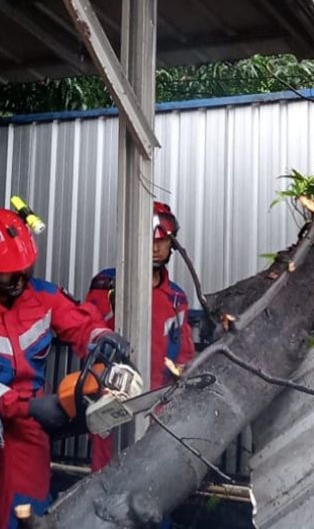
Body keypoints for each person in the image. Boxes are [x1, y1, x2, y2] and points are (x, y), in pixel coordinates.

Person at [0, 206, 132, 529]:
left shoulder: (43, 296)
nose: (22, 277)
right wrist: (27, 406)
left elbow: (80, 324)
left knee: (26, 515)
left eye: (26, 267)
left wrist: (102, 337)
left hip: (28, 423)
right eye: (12, 272)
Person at [85, 201, 196, 472]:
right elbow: (87, 337)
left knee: (153, 479)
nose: (156, 247)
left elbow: (185, 354)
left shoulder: (177, 296)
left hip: (159, 403)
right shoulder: (106, 285)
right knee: (106, 476)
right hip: (111, 400)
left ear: (172, 245)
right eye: (150, 240)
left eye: (163, 241)